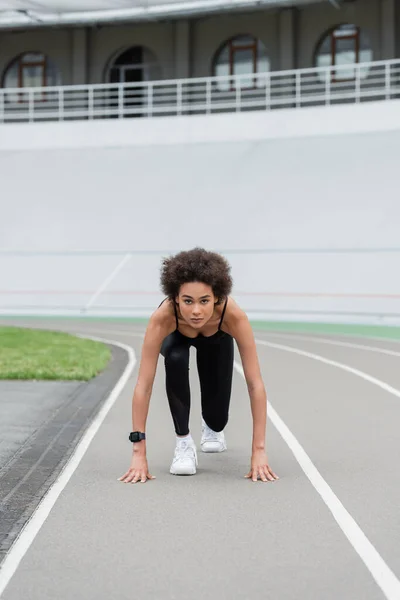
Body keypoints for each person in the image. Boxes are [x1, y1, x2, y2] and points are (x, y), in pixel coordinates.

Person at [119, 247, 278, 484]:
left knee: (217, 419)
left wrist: (259, 451)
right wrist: (138, 453)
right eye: (187, 301)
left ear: (217, 297)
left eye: (204, 301)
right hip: (176, 341)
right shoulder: (163, 317)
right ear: (175, 299)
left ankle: (211, 426)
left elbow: (255, 384)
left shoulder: (232, 315)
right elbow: (144, 385)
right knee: (175, 358)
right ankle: (183, 442)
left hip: (217, 340)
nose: (196, 311)